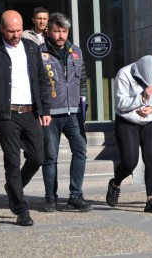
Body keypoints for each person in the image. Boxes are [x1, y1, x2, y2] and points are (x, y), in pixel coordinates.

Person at [0, 10, 51, 226]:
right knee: (12, 162)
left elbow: (42, 80)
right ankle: (21, 208)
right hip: (6, 115)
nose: (16, 34)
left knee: (38, 158)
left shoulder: (31, 47)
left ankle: (12, 188)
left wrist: (45, 110)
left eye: (18, 30)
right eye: (11, 31)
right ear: (1, 29)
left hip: (31, 113)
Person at [39, 12, 93, 212]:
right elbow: (36, 84)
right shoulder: (38, 52)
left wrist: (83, 108)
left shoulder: (76, 52)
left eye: (64, 31)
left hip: (74, 114)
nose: (60, 35)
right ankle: (50, 197)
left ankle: (75, 195)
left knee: (80, 151)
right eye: (56, 31)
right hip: (50, 114)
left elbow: (83, 83)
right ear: (49, 31)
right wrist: (40, 111)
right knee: (50, 157)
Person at [105, 55, 152, 213]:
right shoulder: (124, 74)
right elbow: (120, 103)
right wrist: (142, 98)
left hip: (150, 119)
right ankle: (115, 183)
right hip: (127, 121)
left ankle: (150, 200)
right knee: (129, 162)